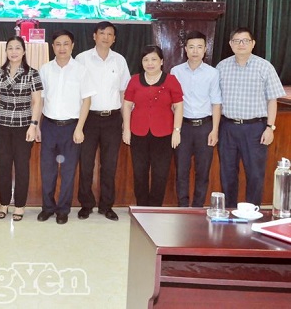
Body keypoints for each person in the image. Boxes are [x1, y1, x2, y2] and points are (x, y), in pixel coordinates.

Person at [216, 27, 285, 208]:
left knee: (255, 174)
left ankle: (253, 212)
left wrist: (270, 127)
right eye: (236, 41)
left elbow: (272, 100)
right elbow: (215, 101)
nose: (241, 44)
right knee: (228, 173)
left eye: (245, 40)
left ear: (253, 43)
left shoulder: (265, 67)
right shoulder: (221, 67)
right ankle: (229, 211)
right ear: (230, 44)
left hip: (255, 129)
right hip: (228, 127)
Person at [37, 30, 95, 225]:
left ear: (72, 46)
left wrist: (79, 128)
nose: (62, 48)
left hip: (71, 127)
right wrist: (36, 125)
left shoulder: (81, 70)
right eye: (58, 44)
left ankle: (63, 210)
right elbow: (39, 100)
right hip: (49, 126)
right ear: (52, 47)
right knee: (48, 170)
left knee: (68, 172)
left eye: (66, 44)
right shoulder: (45, 69)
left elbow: (87, 101)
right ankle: (47, 208)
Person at [75, 21, 130, 221]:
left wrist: (125, 122)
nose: (105, 37)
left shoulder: (119, 60)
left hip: (112, 119)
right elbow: (76, 92)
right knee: (86, 164)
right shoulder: (82, 59)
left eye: (109, 34)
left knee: (109, 165)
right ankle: (86, 204)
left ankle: (106, 206)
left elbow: (124, 92)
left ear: (114, 39)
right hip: (88, 118)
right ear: (94, 36)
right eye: (102, 33)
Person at [122, 44, 183, 206]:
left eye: (154, 59)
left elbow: (178, 106)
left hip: (164, 135)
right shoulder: (135, 80)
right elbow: (127, 105)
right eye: (146, 59)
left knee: (160, 174)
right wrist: (126, 129)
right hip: (138, 133)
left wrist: (177, 130)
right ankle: (142, 207)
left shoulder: (171, 80)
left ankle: (155, 208)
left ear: (161, 61)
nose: (150, 63)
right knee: (139, 173)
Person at [0, 36, 42, 222]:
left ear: (24, 51)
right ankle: (4, 203)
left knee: (22, 167)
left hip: (24, 126)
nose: (13, 52)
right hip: (2, 124)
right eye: (10, 48)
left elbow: (37, 101)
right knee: (3, 165)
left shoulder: (32, 73)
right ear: (6, 51)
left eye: (17, 48)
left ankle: (20, 205)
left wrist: (34, 125)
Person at [170, 31, 222, 207]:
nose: (195, 51)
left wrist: (214, 130)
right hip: (183, 126)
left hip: (205, 127)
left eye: (199, 47)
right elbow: (173, 102)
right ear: (185, 49)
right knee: (181, 171)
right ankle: (183, 208)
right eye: (191, 47)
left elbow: (216, 103)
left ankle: (198, 208)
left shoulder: (212, 73)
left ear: (205, 49)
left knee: (203, 172)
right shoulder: (176, 71)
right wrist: (175, 129)